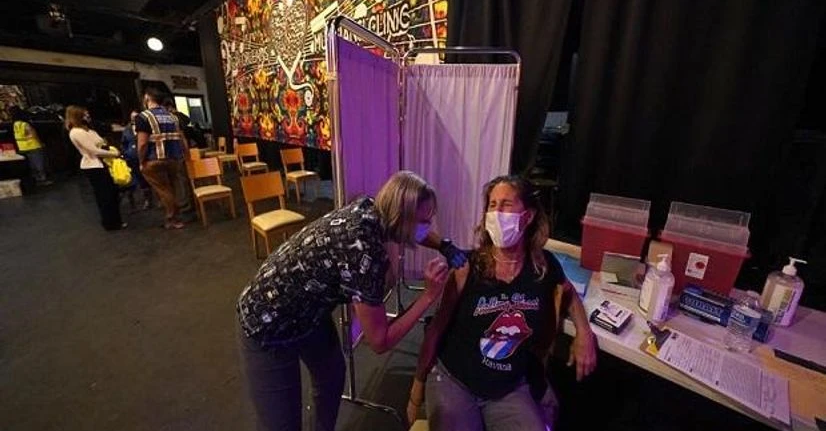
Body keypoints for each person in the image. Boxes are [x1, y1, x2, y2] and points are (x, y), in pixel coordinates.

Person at [237, 170, 469, 431]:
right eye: (423, 221)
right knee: (281, 424)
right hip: (268, 321)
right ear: (401, 219)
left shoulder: (374, 208)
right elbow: (379, 341)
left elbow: (411, 227)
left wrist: (444, 245)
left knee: (332, 377)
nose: (428, 227)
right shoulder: (363, 253)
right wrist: (428, 296)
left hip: (309, 311)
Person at [407, 175, 598, 431]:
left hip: (509, 386)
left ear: (527, 216)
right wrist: (417, 388)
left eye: (506, 204)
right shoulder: (467, 266)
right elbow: (436, 329)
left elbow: (569, 294)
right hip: (456, 379)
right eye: (492, 205)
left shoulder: (544, 266)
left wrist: (584, 333)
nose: (496, 213)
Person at [66, 105, 126, 231]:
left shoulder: (89, 130)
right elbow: (93, 150)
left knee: (112, 193)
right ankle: (110, 223)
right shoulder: (76, 132)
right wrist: (115, 154)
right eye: (85, 114)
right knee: (105, 195)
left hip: (103, 163)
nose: (88, 116)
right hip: (94, 166)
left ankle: (116, 220)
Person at [136, 88, 188, 229]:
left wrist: (141, 162)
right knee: (172, 187)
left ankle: (173, 219)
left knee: (163, 190)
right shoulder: (173, 116)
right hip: (174, 158)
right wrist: (186, 155)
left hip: (155, 159)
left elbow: (142, 144)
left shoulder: (143, 117)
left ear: (147, 98)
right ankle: (175, 216)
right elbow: (182, 139)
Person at [10, 106, 52, 185]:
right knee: (39, 164)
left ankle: (36, 179)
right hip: (33, 146)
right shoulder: (25, 124)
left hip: (22, 147)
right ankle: (42, 180)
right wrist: (41, 143)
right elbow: (33, 135)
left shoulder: (15, 124)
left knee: (32, 165)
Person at [121, 110, 152, 211]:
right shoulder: (127, 129)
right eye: (132, 117)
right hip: (132, 158)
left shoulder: (145, 127)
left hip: (145, 156)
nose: (134, 118)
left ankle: (152, 199)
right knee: (136, 180)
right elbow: (124, 143)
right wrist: (126, 153)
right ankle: (139, 202)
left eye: (136, 116)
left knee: (147, 178)